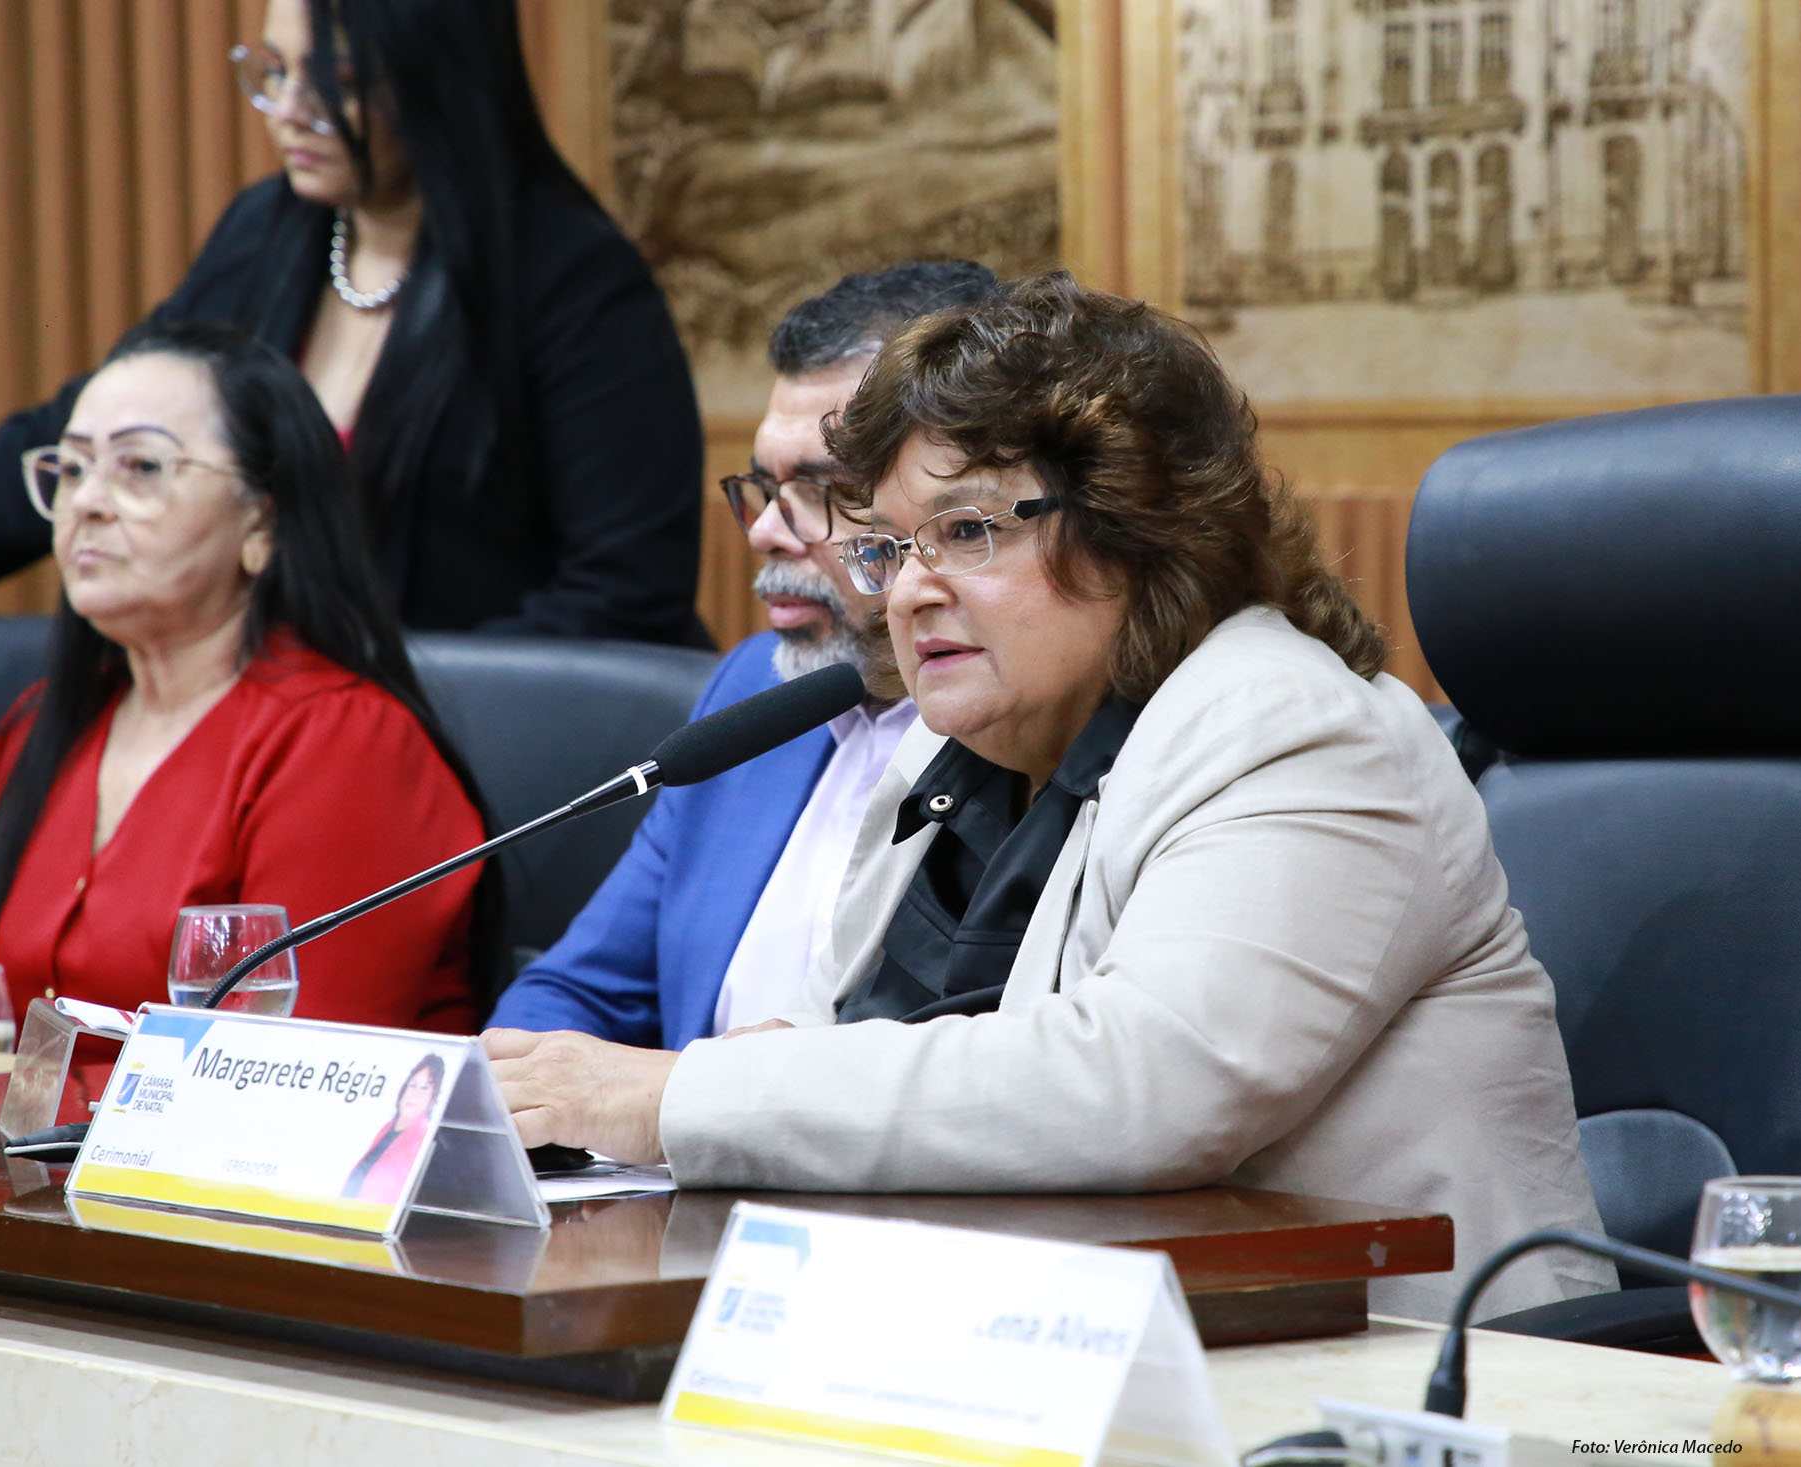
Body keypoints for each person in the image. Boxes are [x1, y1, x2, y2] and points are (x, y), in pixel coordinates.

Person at [485, 273, 1616, 1321]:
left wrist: (679, 1097)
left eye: (966, 532)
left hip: (1407, 1375)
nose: (909, 592)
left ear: (1132, 529)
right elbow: (855, 1053)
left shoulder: (1297, 732)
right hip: (1064, 1345)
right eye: (892, 548)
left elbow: (1140, 1086)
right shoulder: (952, 767)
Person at [0, 0, 703, 644]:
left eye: (334, 83)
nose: (288, 111)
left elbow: (624, 593)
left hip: (495, 747)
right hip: (291, 727)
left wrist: (375, 703)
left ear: (436, 79)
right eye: (272, 71)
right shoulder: (265, 234)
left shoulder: (575, 283)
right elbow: (88, 438)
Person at [488, 261, 994, 1047]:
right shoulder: (751, 692)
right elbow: (580, 987)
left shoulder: (1016, 723)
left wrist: (673, 1096)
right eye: (762, 485)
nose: (764, 531)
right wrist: (509, 1091)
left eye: (823, 489)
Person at [0, 320, 494, 1035]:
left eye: (141, 467)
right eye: (73, 469)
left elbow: (291, 1070)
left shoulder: (346, 744)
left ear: (262, 523)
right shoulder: (29, 735)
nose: (87, 502)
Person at [342, 1054, 445, 1203]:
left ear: (432, 1098)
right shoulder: (387, 1128)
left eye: (424, 1088)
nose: (415, 1093)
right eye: (412, 1084)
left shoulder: (422, 1138)